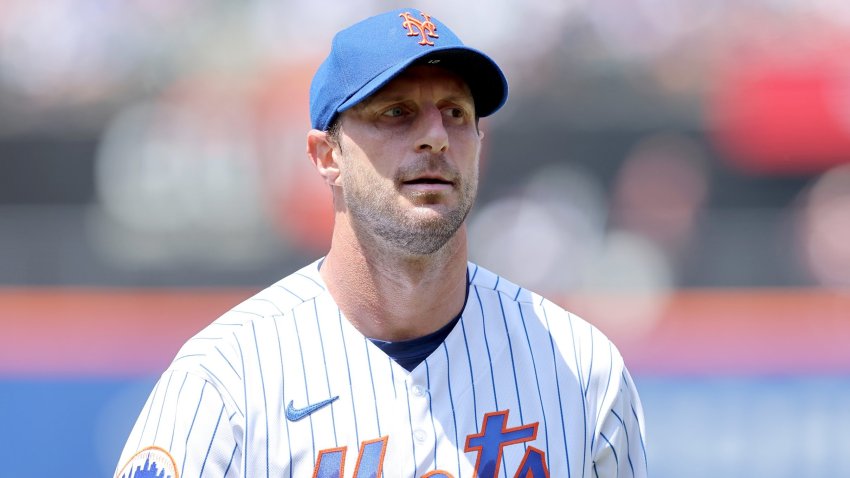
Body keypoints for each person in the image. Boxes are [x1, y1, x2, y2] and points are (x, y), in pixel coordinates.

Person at [114, 8, 647, 478]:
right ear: (327, 155)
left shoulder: (580, 369)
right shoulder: (225, 381)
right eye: (396, 113)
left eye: (456, 113)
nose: (436, 135)